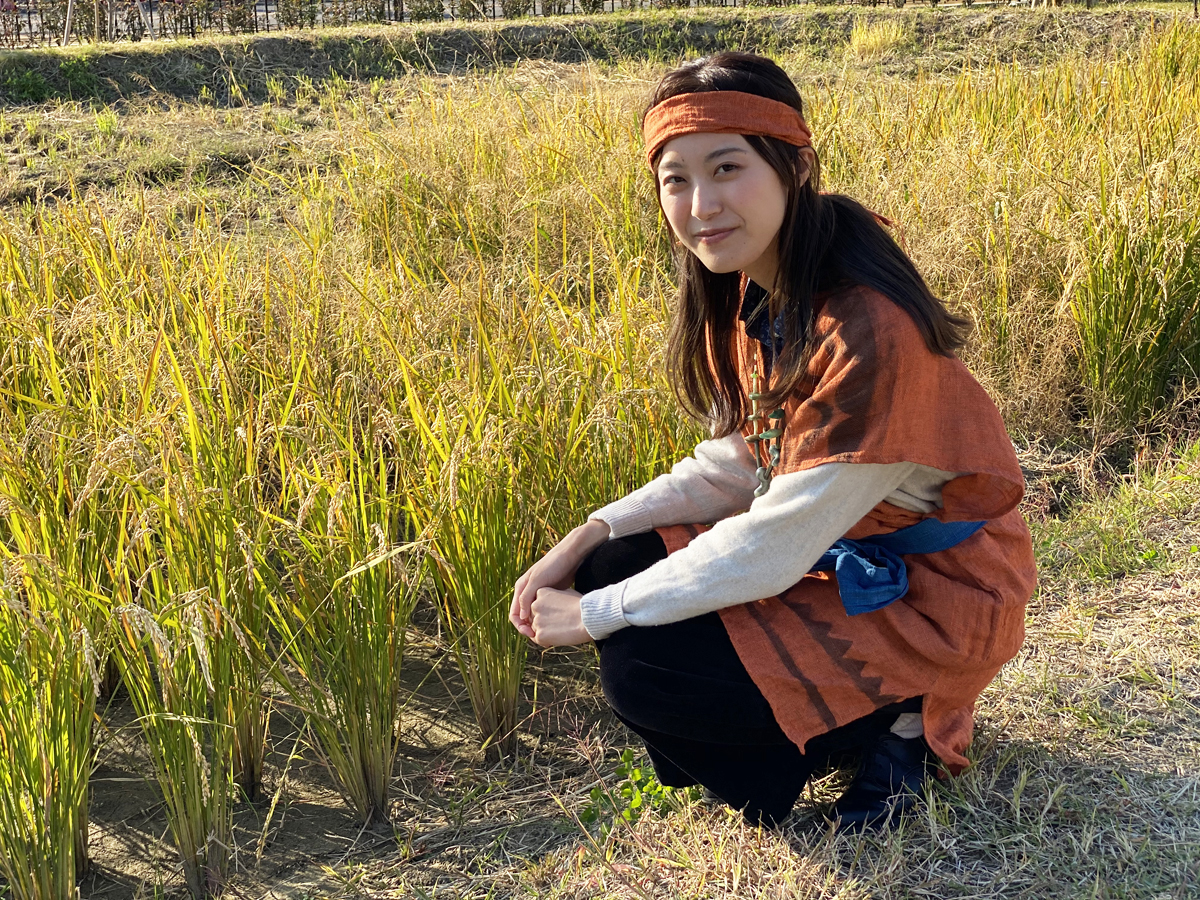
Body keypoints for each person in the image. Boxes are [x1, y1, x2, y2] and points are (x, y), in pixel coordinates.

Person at [509, 51, 1037, 831]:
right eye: (675, 180)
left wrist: (598, 613)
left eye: (727, 168)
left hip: (942, 592)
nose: (700, 204)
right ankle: (831, 723)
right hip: (851, 555)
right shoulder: (758, 295)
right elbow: (739, 462)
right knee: (615, 563)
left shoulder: (868, 331)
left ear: (794, 166)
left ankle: (902, 719)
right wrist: (589, 532)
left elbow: (773, 543)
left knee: (644, 665)